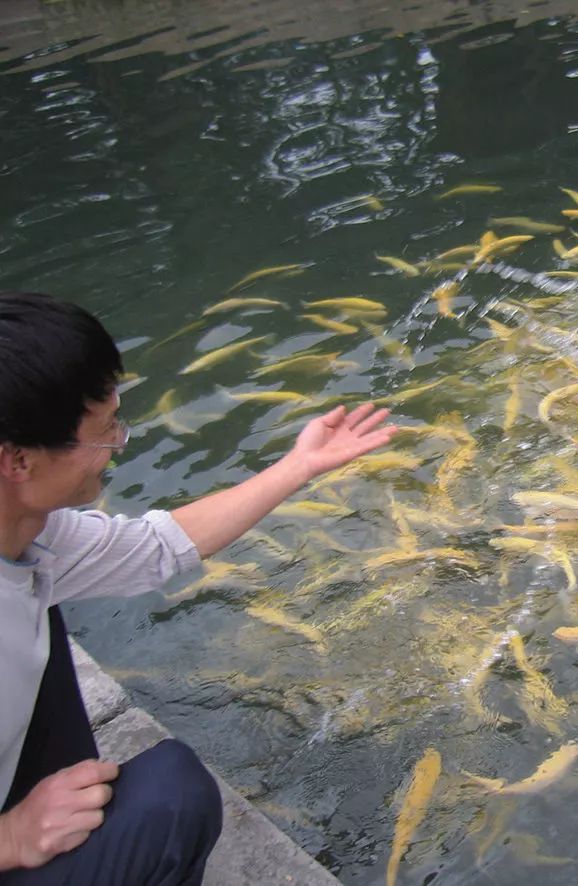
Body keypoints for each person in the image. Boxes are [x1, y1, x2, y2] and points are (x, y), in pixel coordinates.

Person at [0, 292, 398, 884]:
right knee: (171, 796)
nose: (118, 447)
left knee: (44, 609)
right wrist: (9, 838)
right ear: (18, 460)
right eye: (107, 433)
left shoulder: (34, 537)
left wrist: (301, 466)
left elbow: (160, 546)